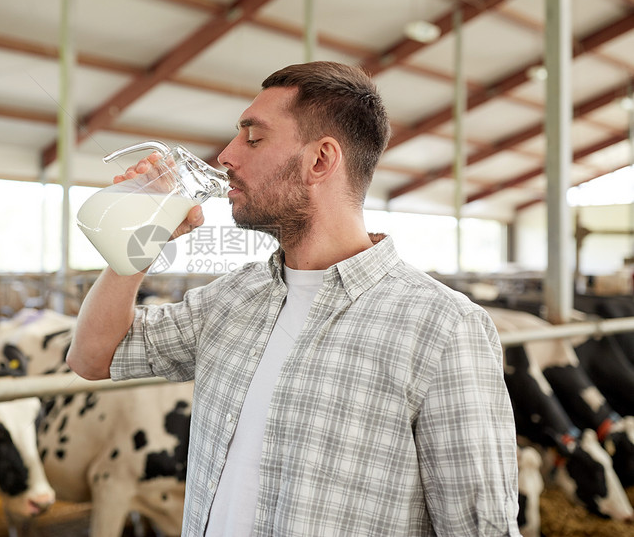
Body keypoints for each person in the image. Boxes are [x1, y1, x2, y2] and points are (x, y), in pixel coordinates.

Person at [68, 61, 520, 536]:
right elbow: (94, 356)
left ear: (320, 161)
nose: (225, 155)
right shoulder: (232, 299)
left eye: (253, 137)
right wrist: (138, 245)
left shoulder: (444, 327)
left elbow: (479, 527)